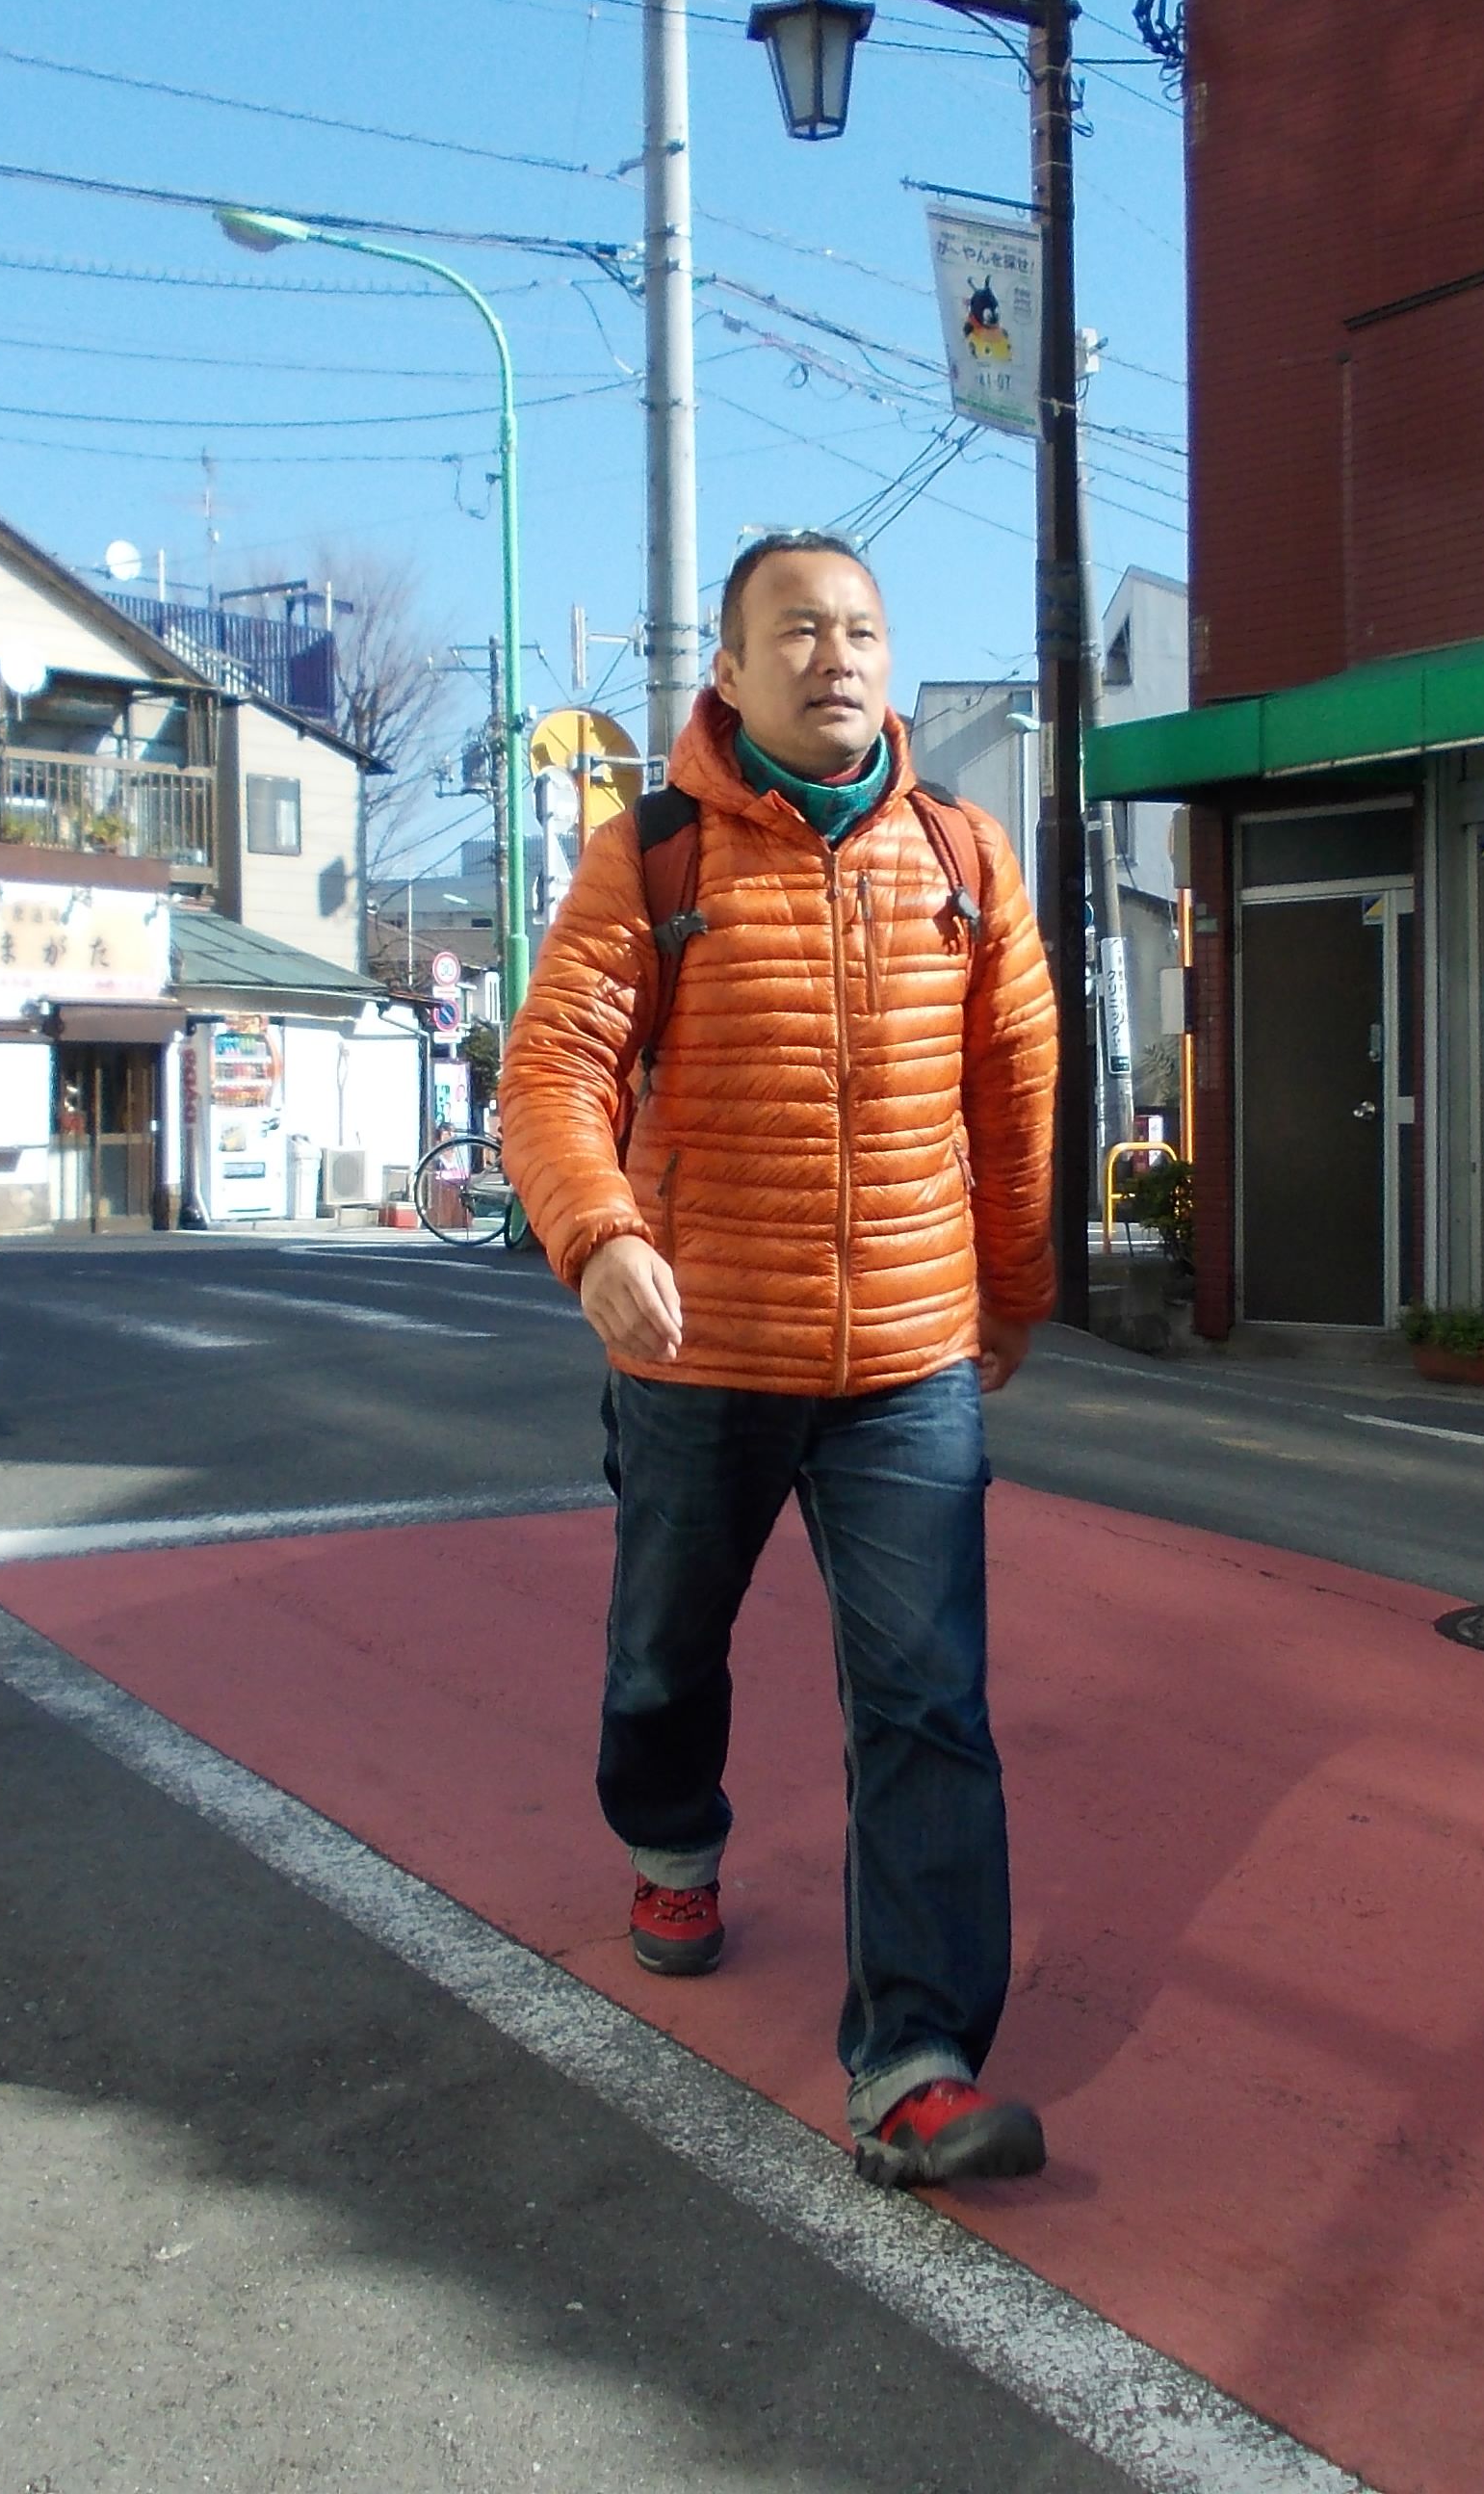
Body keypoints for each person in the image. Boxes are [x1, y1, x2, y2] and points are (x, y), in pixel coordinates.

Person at [500, 531, 1058, 2189]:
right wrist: (599, 1236)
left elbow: (1017, 1097)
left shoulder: (964, 855)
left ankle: (919, 2059)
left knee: (930, 1700)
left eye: (864, 630)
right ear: (728, 674)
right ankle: (672, 1840)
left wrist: (1010, 1295)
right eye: (798, 630)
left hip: (907, 1359)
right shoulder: (652, 857)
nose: (838, 656)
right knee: (668, 1647)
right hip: (697, 1349)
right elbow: (555, 1069)